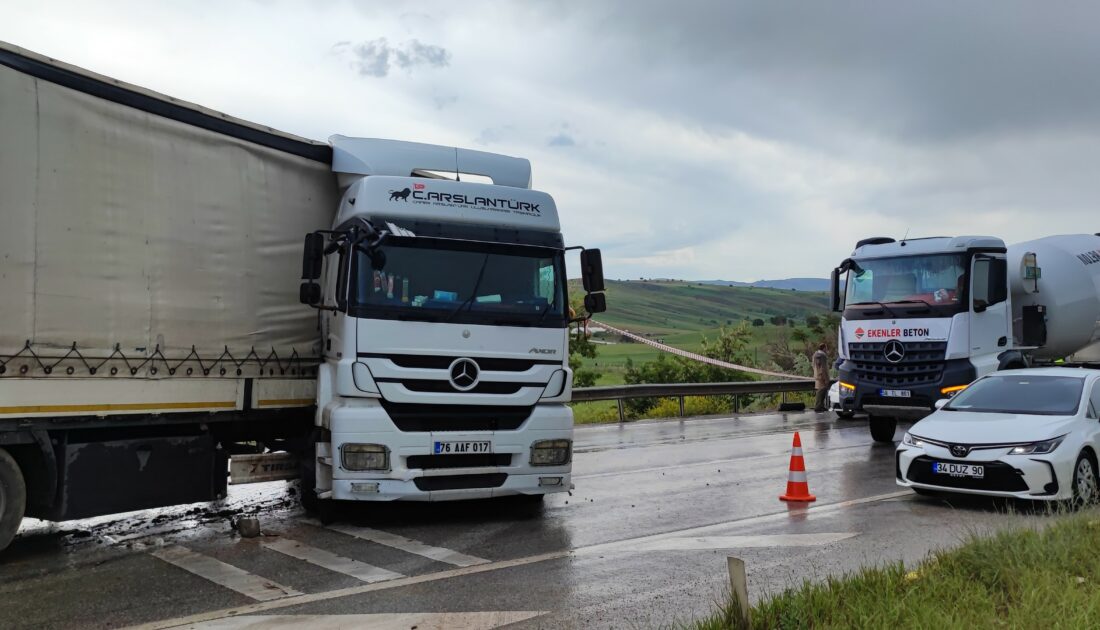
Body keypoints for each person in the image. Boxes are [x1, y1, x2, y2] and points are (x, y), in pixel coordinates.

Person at [812, 343, 830, 413]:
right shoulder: (822, 356)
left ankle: (820, 406)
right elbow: (823, 368)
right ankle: (818, 406)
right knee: (821, 392)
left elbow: (814, 365)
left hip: (817, 375)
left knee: (820, 391)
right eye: (826, 348)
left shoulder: (815, 355)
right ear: (824, 348)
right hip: (822, 376)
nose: (827, 349)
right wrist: (826, 378)